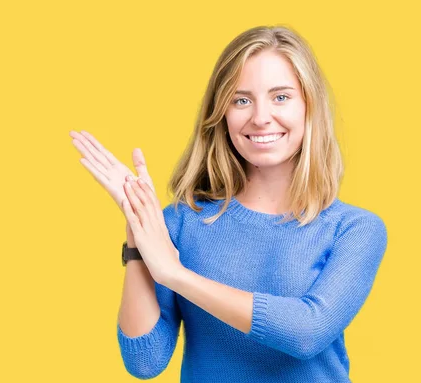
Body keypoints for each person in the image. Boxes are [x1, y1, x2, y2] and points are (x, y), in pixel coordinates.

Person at [69, 25, 387, 383]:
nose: (261, 117)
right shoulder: (180, 223)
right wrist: (138, 238)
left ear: (309, 106)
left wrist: (176, 275)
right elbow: (145, 362)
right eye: (241, 100)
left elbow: (307, 331)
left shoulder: (354, 229)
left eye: (281, 97)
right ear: (221, 113)